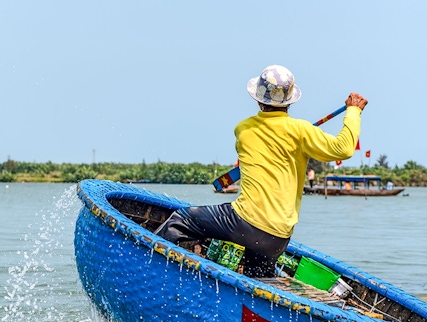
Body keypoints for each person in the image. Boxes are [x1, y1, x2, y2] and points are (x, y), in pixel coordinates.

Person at [155, 65, 368, 278]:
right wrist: (353, 112)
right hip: (278, 237)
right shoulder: (302, 132)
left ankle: (150, 271)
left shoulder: (243, 130)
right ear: (290, 101)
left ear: (258, 100)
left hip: (244, 222)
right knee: (257, 278)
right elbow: (344, 148)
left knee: (180, 220)